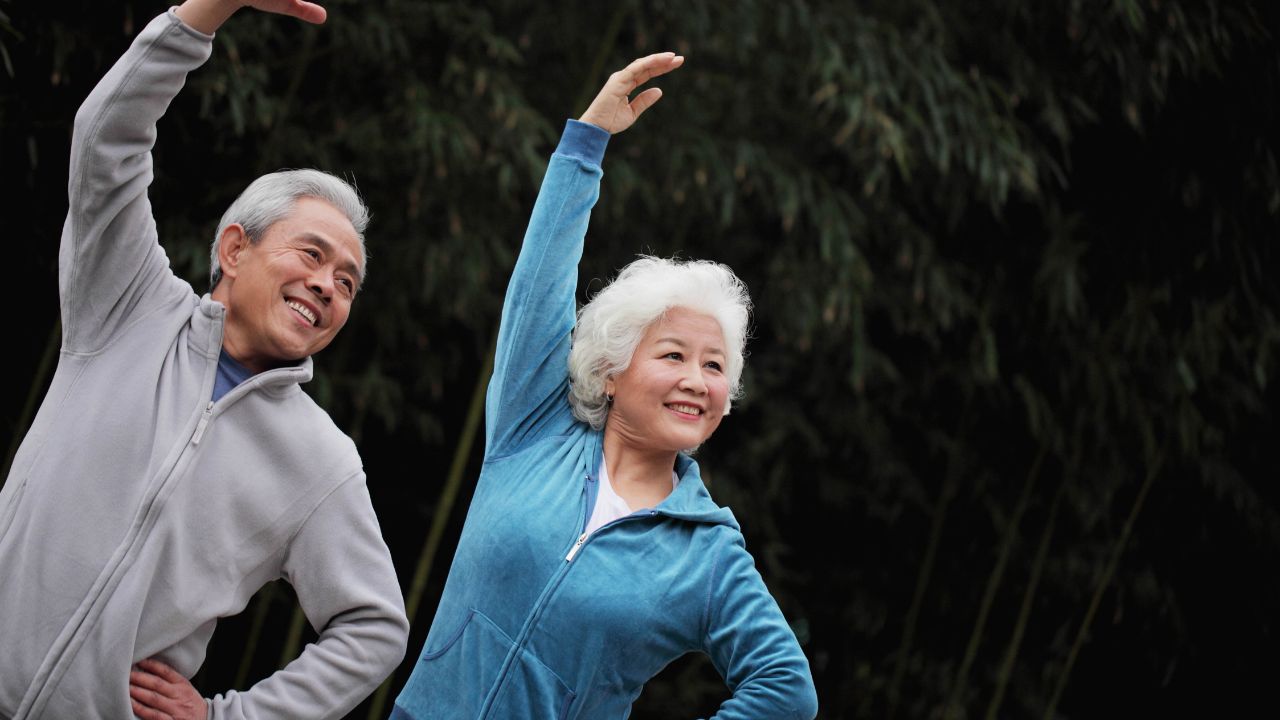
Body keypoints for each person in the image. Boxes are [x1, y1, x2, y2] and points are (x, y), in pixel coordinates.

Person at [0, 1, 408, 718]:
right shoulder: (129, 304)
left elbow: (374, 629)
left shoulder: (320, 459)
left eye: (347, 283)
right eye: (311, 254)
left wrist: (228, 716)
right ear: (235, 248)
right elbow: (106, 142)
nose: (327, 285)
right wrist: (205, 13)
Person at [391, 53, 819, 719]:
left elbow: (786, 689)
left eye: (715, 367)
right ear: (612, 370)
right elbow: (539, 286)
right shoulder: (532, 428)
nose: (696, 380)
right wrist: (585, 145)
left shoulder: (707, 554)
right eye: (674, 355)